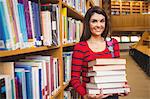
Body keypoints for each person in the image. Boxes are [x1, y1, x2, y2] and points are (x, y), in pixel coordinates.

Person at [70, 6, 128, 99]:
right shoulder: (80, 47)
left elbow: (117, 72)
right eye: (94, 21)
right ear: (88, 23)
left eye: (102, 21)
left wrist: (122, 86)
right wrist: (85, 95)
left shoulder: (113, 44)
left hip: (112, 96)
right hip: (92, 96)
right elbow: (75, 79)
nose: (99, 25)